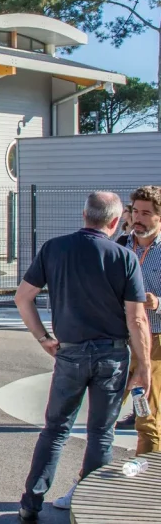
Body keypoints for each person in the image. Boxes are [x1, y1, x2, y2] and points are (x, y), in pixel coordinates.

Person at [16, 191, 152, 522]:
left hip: (70, 351)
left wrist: (43, 338)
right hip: (112, 355)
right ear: (116, 221)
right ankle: (90, 504)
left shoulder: (54, 249)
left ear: (84, 214)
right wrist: (144, 366)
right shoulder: (123, 257)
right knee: (101, 433)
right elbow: (135, 319)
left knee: (55, 428)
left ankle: (31, 501)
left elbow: (23, 298)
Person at [122, 186, 161, 456]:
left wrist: (158, 303)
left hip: (154, 342)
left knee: (147, 418)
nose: (139, 218)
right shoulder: (120, 247)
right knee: (101, 416)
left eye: (146, 213)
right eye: (135, 211)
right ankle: (84, 480)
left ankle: (148, 488)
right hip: (117, 341)